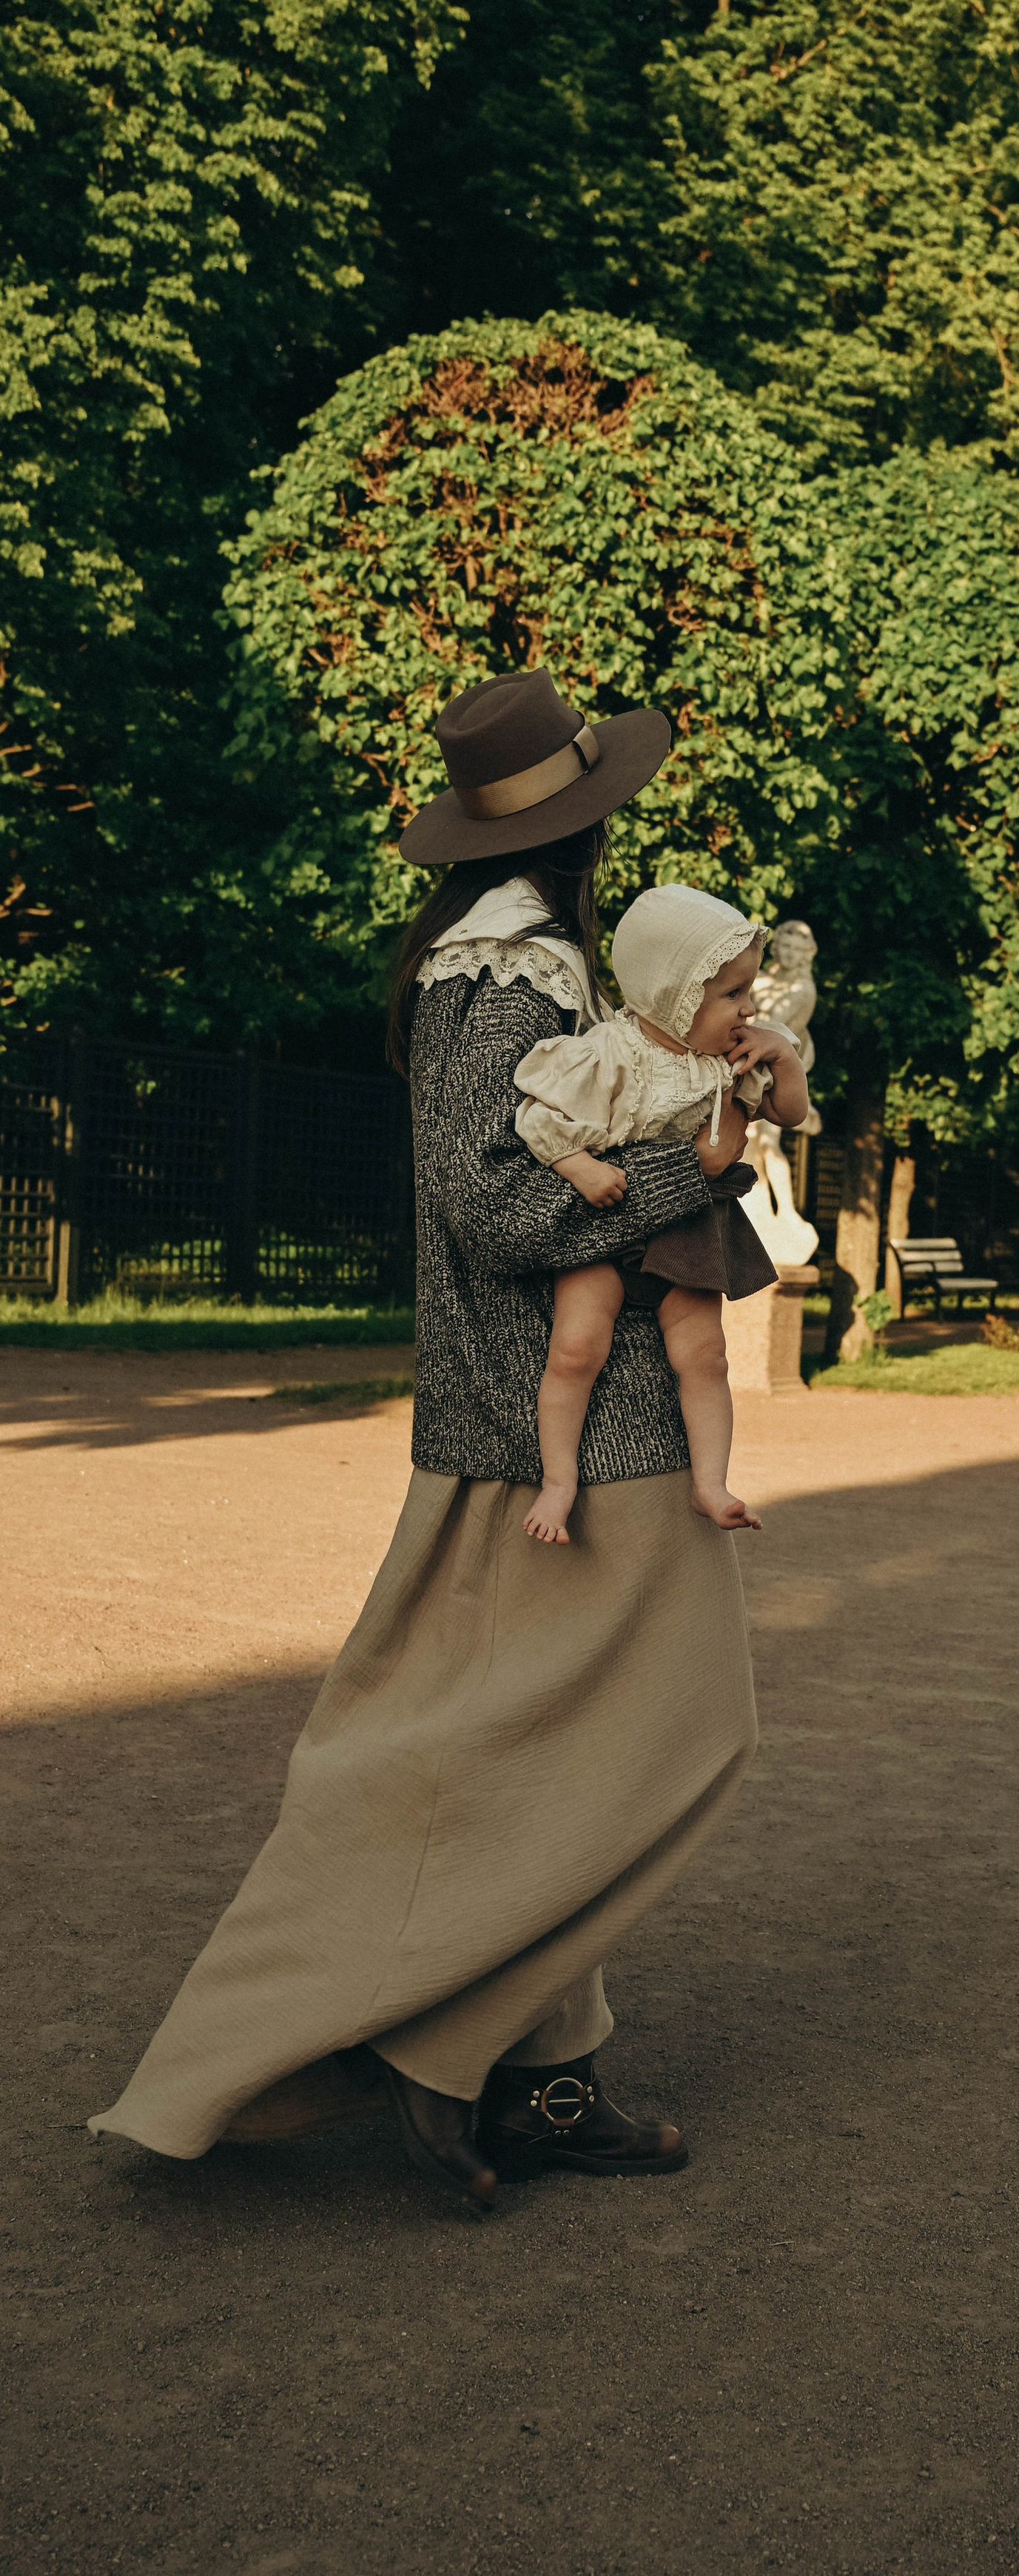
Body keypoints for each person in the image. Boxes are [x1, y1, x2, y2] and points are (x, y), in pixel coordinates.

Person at [88, 669, 761, 2217]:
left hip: (541, 1415)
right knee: (674, 1735)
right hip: (567, 1425)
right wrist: (688, 1182)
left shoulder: (513, 964)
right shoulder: (505, 981)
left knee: (532, 1758)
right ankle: (439, 2045)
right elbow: (495, 1207)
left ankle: (549, 2082)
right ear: (578, 832)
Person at [513, 884, 811, 1541]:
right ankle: (558, 1482)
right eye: (732, 993)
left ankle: (710, 1484)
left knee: (706, 1356)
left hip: (691, 1225)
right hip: (607, 1219)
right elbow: (537, 1119)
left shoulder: (737, 1055)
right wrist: (579, 1166)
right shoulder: (609, 1053)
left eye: (748, 990)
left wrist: (785, 1057)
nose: (749, 1007)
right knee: (574, 1351)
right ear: (674, 995)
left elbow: (790, 1112)